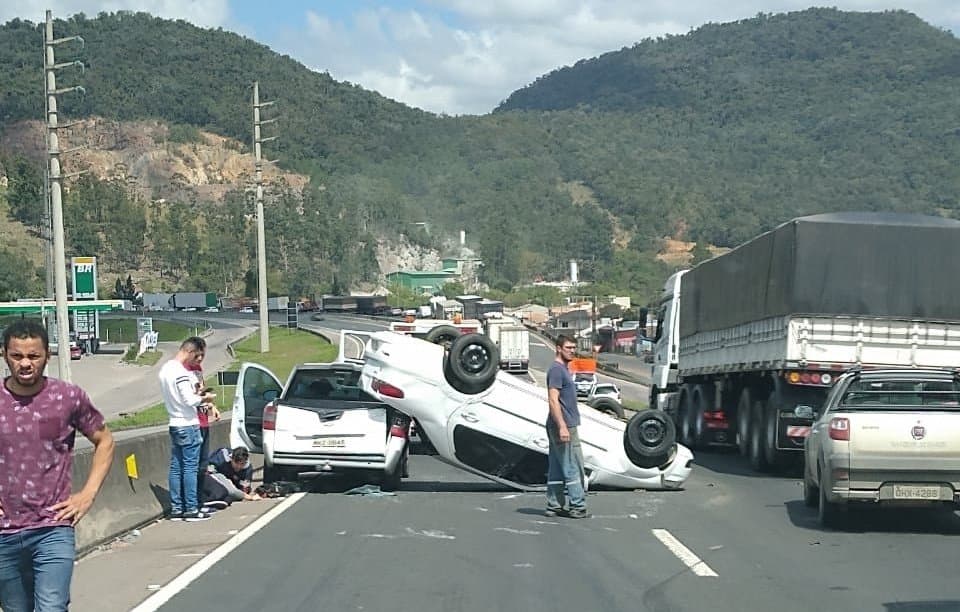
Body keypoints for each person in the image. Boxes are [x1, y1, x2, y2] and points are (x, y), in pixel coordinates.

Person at [0, 319, 115, 611]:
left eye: (33, 356)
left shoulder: (67, 397)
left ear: (46, 356)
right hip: (4, 533)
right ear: (4, 356)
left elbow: (104, 441)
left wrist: (87, 495)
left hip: (52, 527)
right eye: (17, 356)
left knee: (51, 606)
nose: (25, 364)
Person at [159, 337, 215, 522]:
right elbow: (189, 400)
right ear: (190, 352)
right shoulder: (180, 372)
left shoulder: (165, 369)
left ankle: (177, 508)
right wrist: (206, 399)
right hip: (187, 423)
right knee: (190, 468)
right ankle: (191, 508)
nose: (196, 361)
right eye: (196, 356)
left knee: (176, 467)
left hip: (173, 422)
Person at [544, 334, 589, 519]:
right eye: (568, 348)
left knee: (556, 466)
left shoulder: (563, 369)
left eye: (573, 348)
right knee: (572, 466)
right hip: (563, 425)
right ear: (558, 348)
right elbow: (553, 400)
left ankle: (554, 505)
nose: (572, 351)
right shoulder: (556, 370)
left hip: (561, 424)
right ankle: (577, 505)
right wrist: (562, 426)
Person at [185, 361, 220, 508]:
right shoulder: (184, 371)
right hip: (194, 425)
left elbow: (202, 394)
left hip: (204, 423)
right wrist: (201, 397)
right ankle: (192, 502)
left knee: (203, 465)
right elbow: (190, 398)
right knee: (193, 466)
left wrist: (212, 406)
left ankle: (200, 500)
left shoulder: (198, 369)